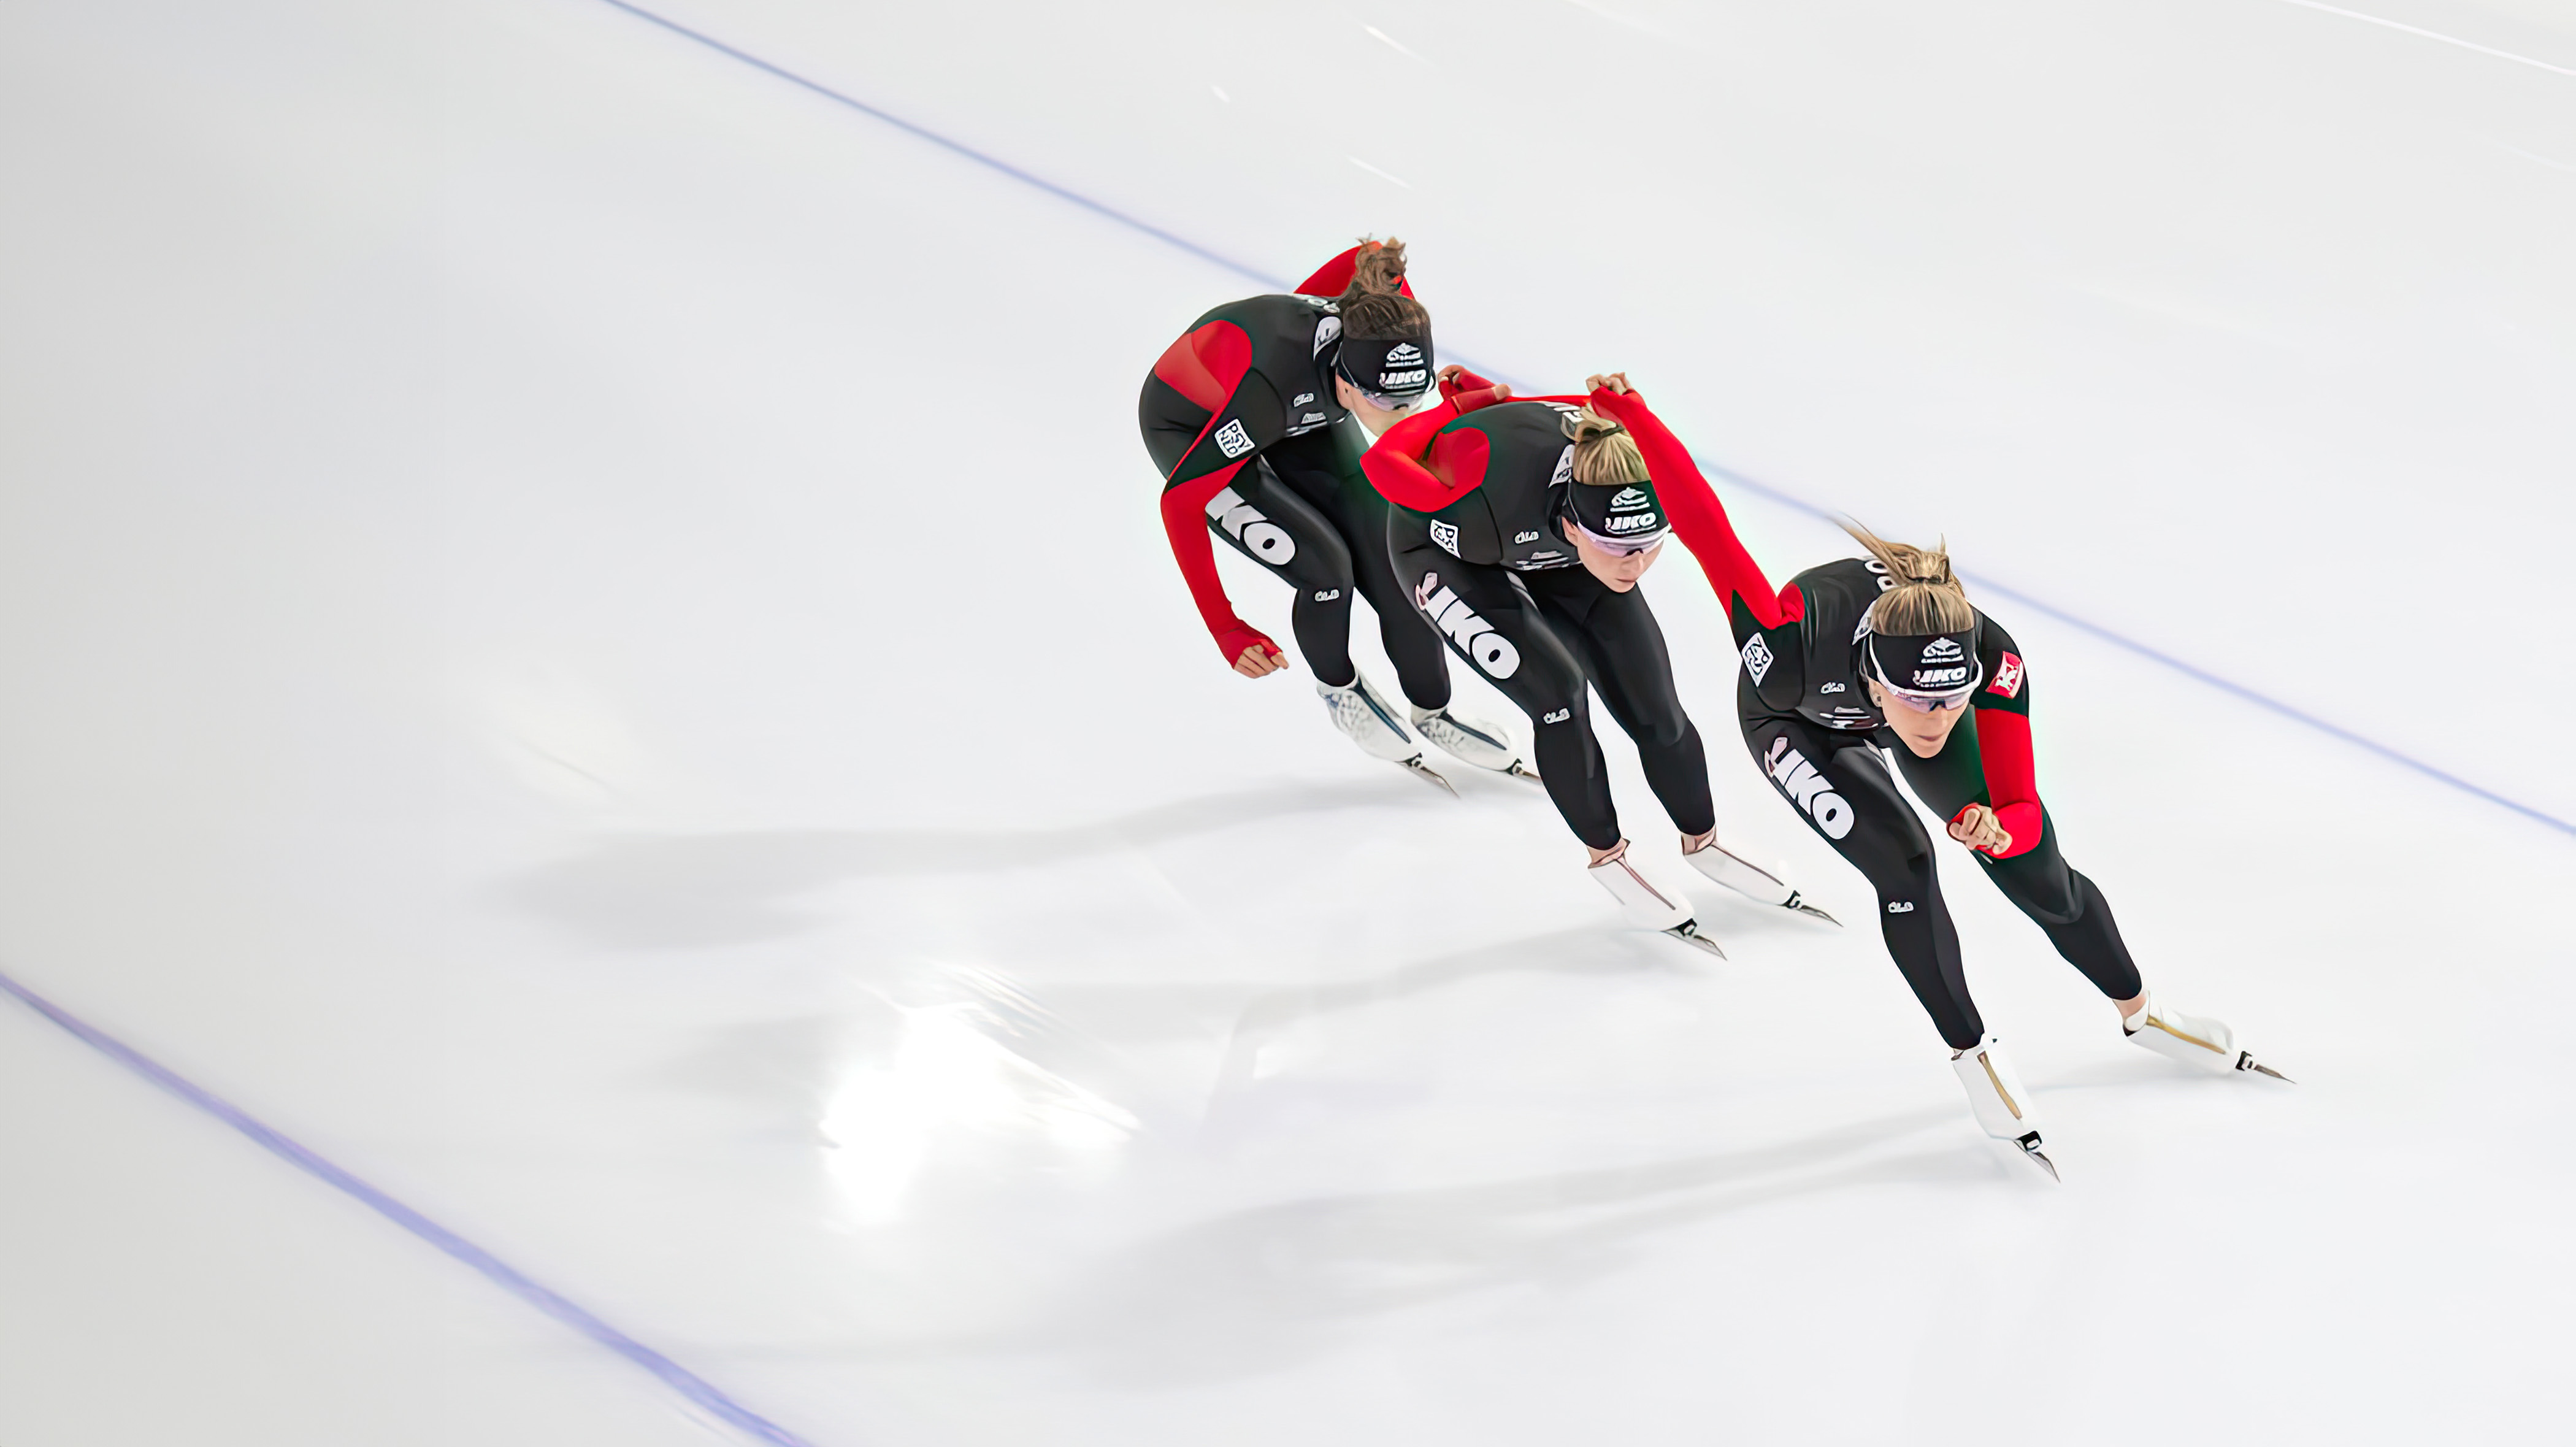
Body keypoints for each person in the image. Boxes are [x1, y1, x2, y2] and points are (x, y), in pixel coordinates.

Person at [1703, 517, 2288, 1178]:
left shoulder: (1993, 658)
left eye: (1954, 699)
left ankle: (2143, 1012)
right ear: (1873, 677)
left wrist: (2001, 826)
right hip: (1798, 719)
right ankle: (1973, 1054)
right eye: (1920, 700)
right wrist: (1625, 413)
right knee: (1905, 864)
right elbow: (1707, 530)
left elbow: (2022, 806)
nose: (1938, 719)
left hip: (1885, 692)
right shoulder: (1788, 652)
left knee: (2038, 875)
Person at [1360, 371, 1830, 953]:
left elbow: (1667, 519)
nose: (1634, 566)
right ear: (1573, 524)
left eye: (1649, 544)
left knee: (1655, 703)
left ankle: (1703, 839)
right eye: (1617, 547)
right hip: (1447, 545)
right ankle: (1607, 857)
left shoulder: (1622, 499)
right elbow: (1383, 460)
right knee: (1558, 696)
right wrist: (1460, 404)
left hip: (1563, 557)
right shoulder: (1484, 491)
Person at [1140, 240, 1529, 790]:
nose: (1402, 420)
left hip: (1309, 407)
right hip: (1193, 427)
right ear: (1345, 383)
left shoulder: (1391, 331)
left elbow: (1371, 253)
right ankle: (1340, 690)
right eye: (1388, 405)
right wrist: (1224, 625)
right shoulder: (1269, 394)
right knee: (1327, 568)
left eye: (1412, 398)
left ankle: (1433, 711)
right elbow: (1179, 499)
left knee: (1393, 565)